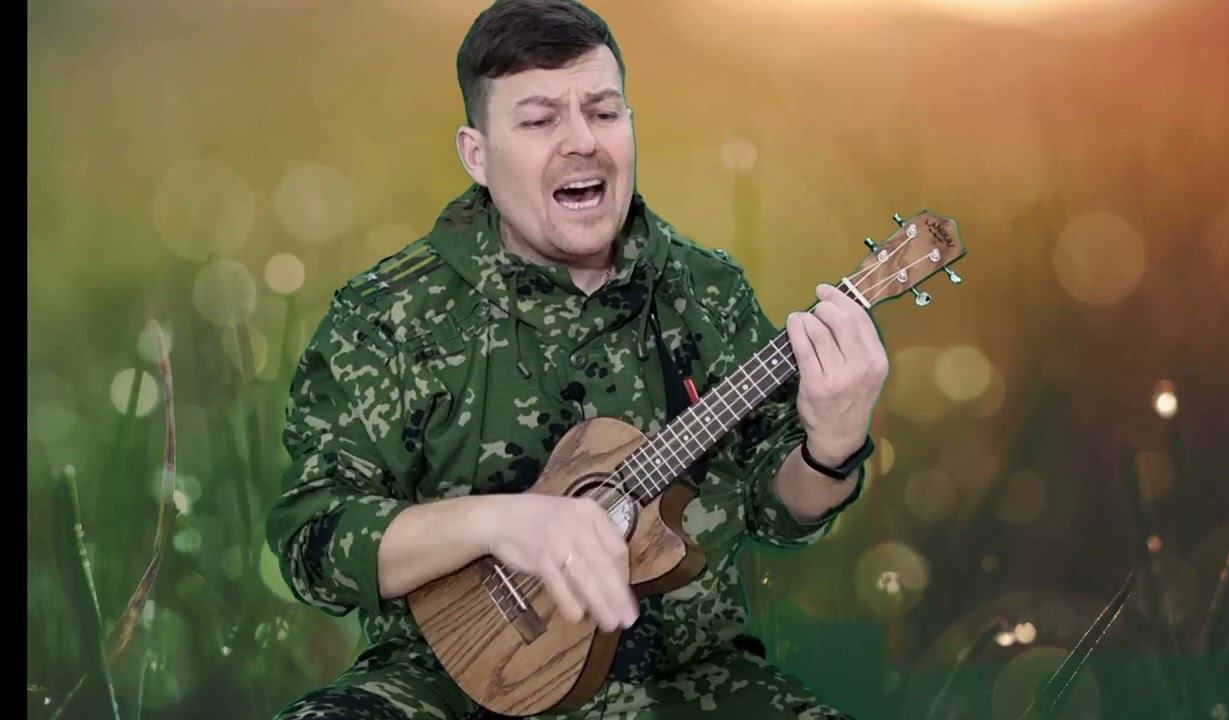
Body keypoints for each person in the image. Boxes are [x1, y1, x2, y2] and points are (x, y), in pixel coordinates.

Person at [265, 1, 888, 717]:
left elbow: (776, 512)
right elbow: (314, 544)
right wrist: (500, 523)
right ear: (477, 154)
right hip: (440, 686)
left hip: (686, 682)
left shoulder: (707, 291)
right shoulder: (388, 314)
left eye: (603, 111)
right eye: (539, 121)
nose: (582, 141)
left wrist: (832, 449)